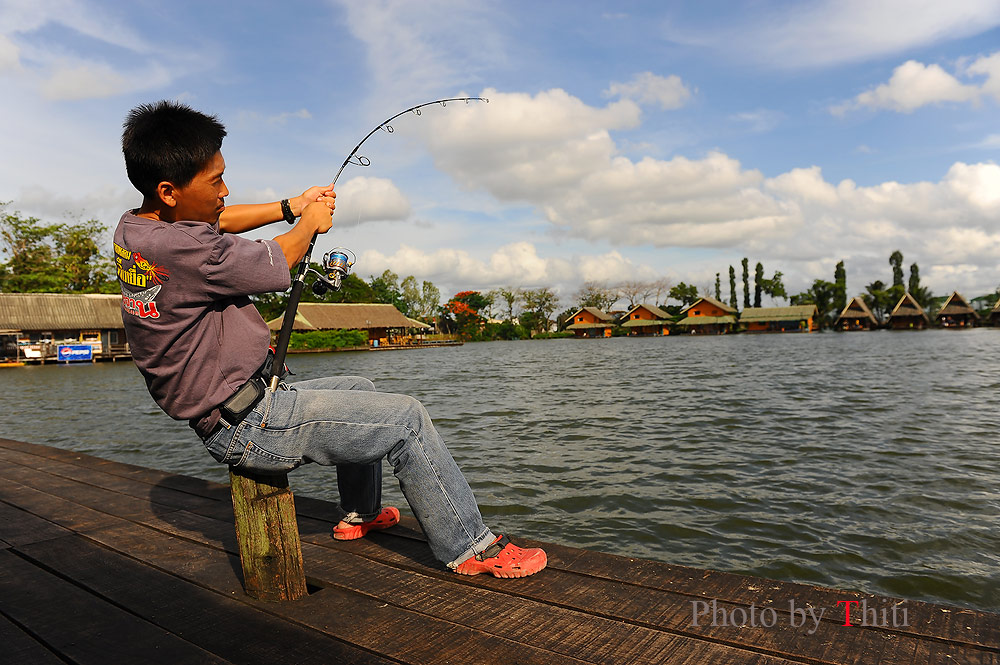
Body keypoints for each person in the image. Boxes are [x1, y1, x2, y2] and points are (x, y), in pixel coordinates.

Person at [114, 100, 546, 578]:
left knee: (361, 388)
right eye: (216, 182)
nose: (225, 190)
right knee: (407, 419)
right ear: (170, 191)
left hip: (242, 405)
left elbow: (219, 221)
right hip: (249, 423)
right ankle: (472, 548)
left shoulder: (138, 229)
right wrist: (308, 224)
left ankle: (361, 513)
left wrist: (289, 206)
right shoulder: (187, 248)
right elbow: (276, 262)